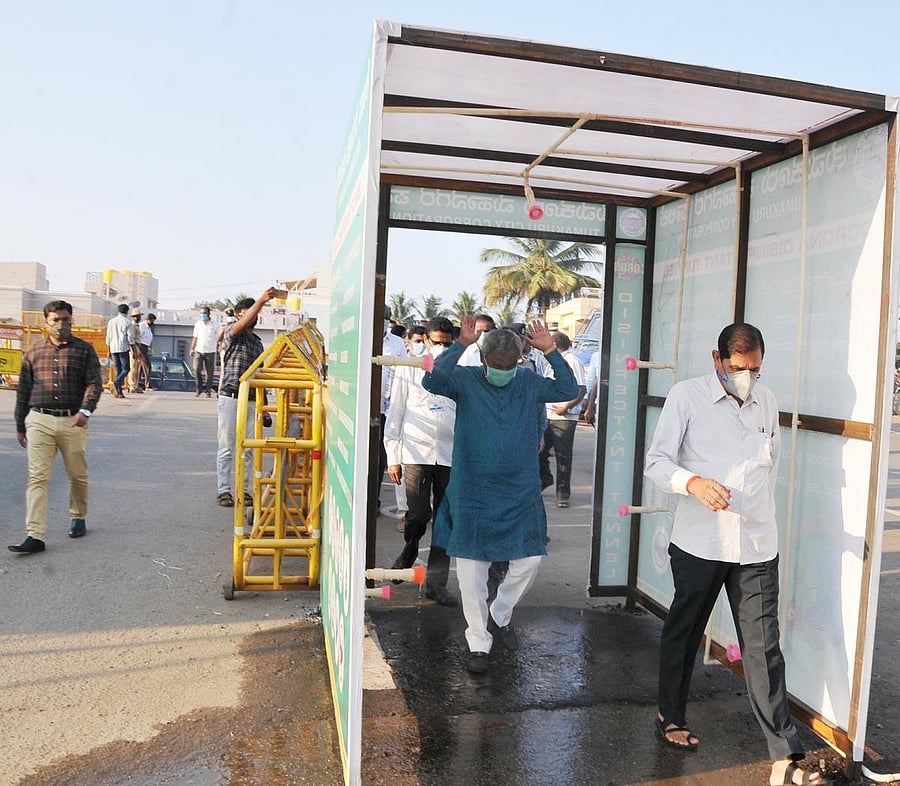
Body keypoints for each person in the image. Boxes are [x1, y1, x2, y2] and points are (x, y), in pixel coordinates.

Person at [644, 323, 829, 786]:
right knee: (685, 632)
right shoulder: (686, 397)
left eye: (755, 370)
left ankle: (785, 754)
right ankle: (671, 716)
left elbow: (771, 465)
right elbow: (656, 462)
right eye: (738, 368)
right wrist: (693, 483)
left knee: (764, 649)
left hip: (756, 546)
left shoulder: (766, 401)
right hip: (701, 543)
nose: (746, 378)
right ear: (717, 360)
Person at [422, 316, 578, 674]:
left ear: (519, 361)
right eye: (497, 365)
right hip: (472, 491)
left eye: (510, 366)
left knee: (530, 559)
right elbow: (431, 379)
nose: (504, 371)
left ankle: (500, 613)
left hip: (519, 490)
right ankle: (478, 642)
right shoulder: (465, 379)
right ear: (483, 359)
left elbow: (568, 388)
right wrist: (460, 344)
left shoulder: (528, 382)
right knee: (472, 572)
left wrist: (551, 351)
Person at [9, 300, 103, 554]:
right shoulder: (33, 352)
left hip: (73, 420)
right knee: (37, 477)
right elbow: (23, 391)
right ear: (46, 322)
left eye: (65, 319)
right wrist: (20, 425)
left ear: (72, 319)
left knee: (77, 475)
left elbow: (94, 383)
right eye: (55, 320)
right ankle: (35, 535)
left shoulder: (84, 350)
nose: (61, 324)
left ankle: (78, 515)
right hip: (39, 420)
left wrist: (85, 410)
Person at [385, 317, 458, 606]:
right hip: (416, 452)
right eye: (436, 342)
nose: (441, 348)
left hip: (450, 454)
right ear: (425, 340)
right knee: (417, 514)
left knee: (445, 520)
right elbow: (396, 411)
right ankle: (410, 549)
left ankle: (436, 584)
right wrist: (393, 456)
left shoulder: (460, 368)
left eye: (447, 344)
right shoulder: (409, 368)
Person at [216, 289, 277, 507]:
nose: (254, 315)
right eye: (250, 311)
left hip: (251, 400)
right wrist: (262, 300)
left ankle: (244, 490)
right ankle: (224, 490)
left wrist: (265, 408)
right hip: (231, 396)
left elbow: (260, 376)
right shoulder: (233, 332)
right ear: (239, 314)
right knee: (226, 446)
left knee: (248, 448)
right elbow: (242, 324)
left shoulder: (258, 344)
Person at [538, 332, 587, 507]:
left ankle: (563, 494)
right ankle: (545, 479)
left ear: (555, 344)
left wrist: (566, 407)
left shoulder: (572, 361)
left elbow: (581, 389)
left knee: (563, 457)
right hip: (548, 414)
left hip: (564, 417)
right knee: (541, 452)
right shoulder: (550, 362)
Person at [105, 303, 134, 398]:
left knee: (118, 369)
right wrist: (133, 349)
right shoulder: (128, 322)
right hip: (123, 347)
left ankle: (118, 392)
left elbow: (108, 337)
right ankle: (116, 382)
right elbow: (130, 338)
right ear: (127, 311)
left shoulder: (111, 322)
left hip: (113, 347)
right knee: (126, 369)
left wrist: (108, 350)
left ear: (118, 311)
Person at [191, 305, 219, 398]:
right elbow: (195, 337)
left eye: (204, 313)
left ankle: (208, 391)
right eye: (201, 313)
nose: (202, 315)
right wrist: (192, 348)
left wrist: (220, 346)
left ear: (208, 313)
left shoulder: (215, 324)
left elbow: (219, 337)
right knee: (196, 369)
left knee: (209, 372)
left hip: (210, 351)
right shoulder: (198, 324)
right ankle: (199, 389)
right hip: (199, 350)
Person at [140, 313, 156, 390]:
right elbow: (138, 337)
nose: (153, 322)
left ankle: (138, 383)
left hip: (145, 347)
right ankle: (147, 384)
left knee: (141, 367)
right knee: (147, 366)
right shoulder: (142, 326)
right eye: (152, 320)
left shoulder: (148, 328)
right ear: (147, 319)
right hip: (141, 347)